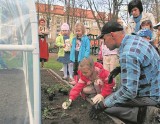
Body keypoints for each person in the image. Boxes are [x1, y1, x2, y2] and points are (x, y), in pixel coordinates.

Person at [89, 21, 160, 124]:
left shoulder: (128, 53)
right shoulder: (132, 39)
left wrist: (103, 105)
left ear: (112, 35)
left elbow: (129, 91)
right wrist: (120, 69)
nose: (104, 44)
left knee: (109, 106)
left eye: (104, 39)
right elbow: (142, 62)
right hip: (154, 88)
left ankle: (146, 114)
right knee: (114, 97)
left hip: (151, 95)